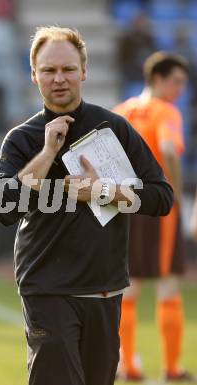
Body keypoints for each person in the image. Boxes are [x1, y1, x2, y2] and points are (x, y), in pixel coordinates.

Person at [0, 26, 173, 385]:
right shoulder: (23, 139)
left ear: (84, 71)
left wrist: (104, 191)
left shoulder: (114, 128)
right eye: (49, 70)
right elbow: (4, 208)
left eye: (68, 69)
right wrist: (47, 152)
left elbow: (161, 197)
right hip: (47, 289)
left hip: (104, 288)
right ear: (34, 75)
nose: (59, 79)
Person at [114, 52, 194, 382]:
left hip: (125, 205)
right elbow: (170, 149)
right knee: (168, 285)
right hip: (158, 206)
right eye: (176, 81)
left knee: (127, 287)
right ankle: (172, 367)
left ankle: (127, 365)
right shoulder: (166, 111)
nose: (180, 89)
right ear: (158, 79)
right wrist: (173, 192)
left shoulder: (122, 112)